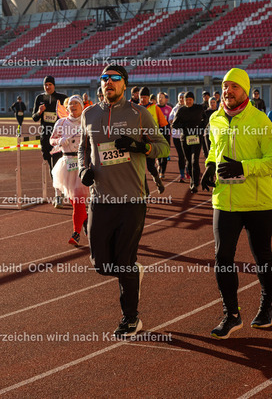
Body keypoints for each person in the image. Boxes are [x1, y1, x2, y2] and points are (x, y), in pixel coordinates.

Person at [78, 64, 169, 338]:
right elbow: (83, 148)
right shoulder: (89, 114)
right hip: (101, 199)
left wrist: (141, 146)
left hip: (132, 200)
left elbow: (163, 146)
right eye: (104, 78)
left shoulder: (139, 113)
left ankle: (131, 318)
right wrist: (83, 169)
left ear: (125, 84)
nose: (109, 82)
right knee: (101, 264)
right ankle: (132, 272)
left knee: (125, 261)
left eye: (115, 78)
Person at [200, 68, 272, 339]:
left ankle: (268, 304)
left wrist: (244, 167)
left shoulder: (260, 120)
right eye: (225, 86)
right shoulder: (215, 118)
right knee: (222, 257)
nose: (228, 91)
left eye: (234, 86)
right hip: (224, 200)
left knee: (262, 256)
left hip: (258, 202)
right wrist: (209, 165)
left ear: (245, 90)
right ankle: (231, 314)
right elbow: (215, 148)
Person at [50, 95, 90, 246]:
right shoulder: (61, 123)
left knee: (78, 201)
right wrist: (59, 141)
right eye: (71, 104)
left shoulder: (87, 122)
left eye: (76, 103)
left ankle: (76, 233)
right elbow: (51, 140)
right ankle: (86, 222)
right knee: (75, 202)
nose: (73, 106)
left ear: (82, 106)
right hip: (66, 165)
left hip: (82, 164)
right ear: (67, 107)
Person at [32, 76, 68, 208]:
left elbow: (70, 115)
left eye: (50, 84)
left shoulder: (62, 98)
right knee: (51, 166)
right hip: (45, 136)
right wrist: (39, 112)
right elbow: (34, 118)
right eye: (45, 85)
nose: (47, 87)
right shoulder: (40, 98)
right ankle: (60, 191)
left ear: (54, 85)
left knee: (57, 163)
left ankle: (59, 195)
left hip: (58, 137)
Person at [172, 91, 205, 194]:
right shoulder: (181, 110)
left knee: (195, 160)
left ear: (193, 100)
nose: (188, 101)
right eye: (186, 100)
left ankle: (195, 183)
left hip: (196, 137)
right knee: (189, 161)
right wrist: (184, 126)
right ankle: (192, 179)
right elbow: (174, 124)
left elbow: (205, 119)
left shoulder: (199, 108)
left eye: (190, 100)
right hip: (185, 138)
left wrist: (201, 128)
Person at [139, 87, 167, 193]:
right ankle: (146, 191)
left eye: (145, 97)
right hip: (139, 141)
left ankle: (158, 183)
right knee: (140, 167)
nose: (143, 99)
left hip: (151, 141)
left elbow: (163, 124)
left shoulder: (155, 108)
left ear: (149, 98)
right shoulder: (136, 108)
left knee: (150, 166)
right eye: (141, 97)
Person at [170, 92, 188, 182]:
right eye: (180, 97)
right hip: (176, 136)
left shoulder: (188, 108)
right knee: (181, 155)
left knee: (187, 155)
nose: (181, 99)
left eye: (183, 97)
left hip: (187, 135)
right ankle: (182, 175)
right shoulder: (175, 109)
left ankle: (188, 170)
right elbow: (170, 120)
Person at [157, 92, 172, 179]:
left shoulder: (169, 109)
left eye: (162, 97)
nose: (160, 99)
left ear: (165, 99)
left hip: (166, 133)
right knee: (159, 151)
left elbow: (171, 121)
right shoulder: (154, 108)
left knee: (165, 152)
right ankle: (159, 163)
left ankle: (162, 172)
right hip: (156, 133)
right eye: (159, 97)